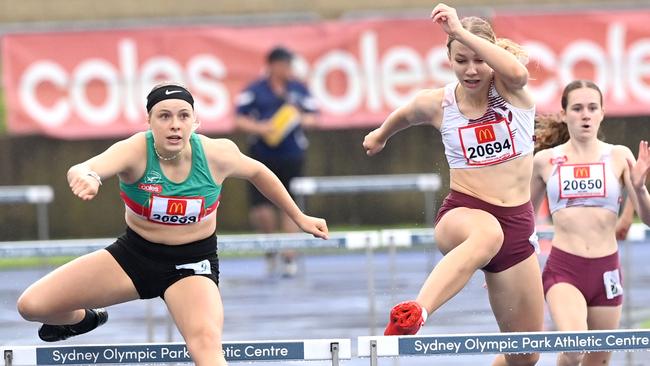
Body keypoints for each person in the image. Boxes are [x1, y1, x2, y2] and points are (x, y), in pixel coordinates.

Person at [16, 83, 328, 366]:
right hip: (134, 257)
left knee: (206, 345)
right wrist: (88, 178)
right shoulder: (135, 150)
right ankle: (83, 320)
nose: (175, 124)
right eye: (164, 116)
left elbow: (260, 173)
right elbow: (83, 168)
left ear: (195, 123)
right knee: (31, 305)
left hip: (192, 264)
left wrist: (299, 217)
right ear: (149, 123)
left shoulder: (217, 154)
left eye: (183, 116)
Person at [363, 4, 542, 365]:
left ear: (492, 56)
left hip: (518, 226)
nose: (471, 70)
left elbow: (519, 73)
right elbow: (405, 114)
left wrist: (461, 32)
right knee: (487, 233)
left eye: (479, 59)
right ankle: (415, 312)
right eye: (461, 60)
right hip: (464, 212)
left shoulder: (512, 93)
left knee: (525, 357)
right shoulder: (439, 104)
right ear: (449, 58)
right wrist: (380, 135)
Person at [531, 80, 650, 366]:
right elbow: (522, 220)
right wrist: (506, 265)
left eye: (592, 108)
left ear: (602, 113)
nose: (585, 114)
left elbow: (647, 218)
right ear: (563, 114)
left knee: (597, 361)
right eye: (577, 108)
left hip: (606, 271)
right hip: (564, 269)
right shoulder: (545, 161)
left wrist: (640, 188)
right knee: (574, 348)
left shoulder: (619, 155)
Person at [235, 45, 319, 277]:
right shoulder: (255, 90)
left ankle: (289, 255)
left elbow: (314, 117)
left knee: (289, 205)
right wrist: (261, 127)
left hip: (292, 155)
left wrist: (297, 117)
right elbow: (238, 120)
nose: (288, 69)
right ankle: (272, 246)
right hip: (261, 156)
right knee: (261, 209)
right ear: (272, 65)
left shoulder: (298, 90)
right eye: (284, 64)